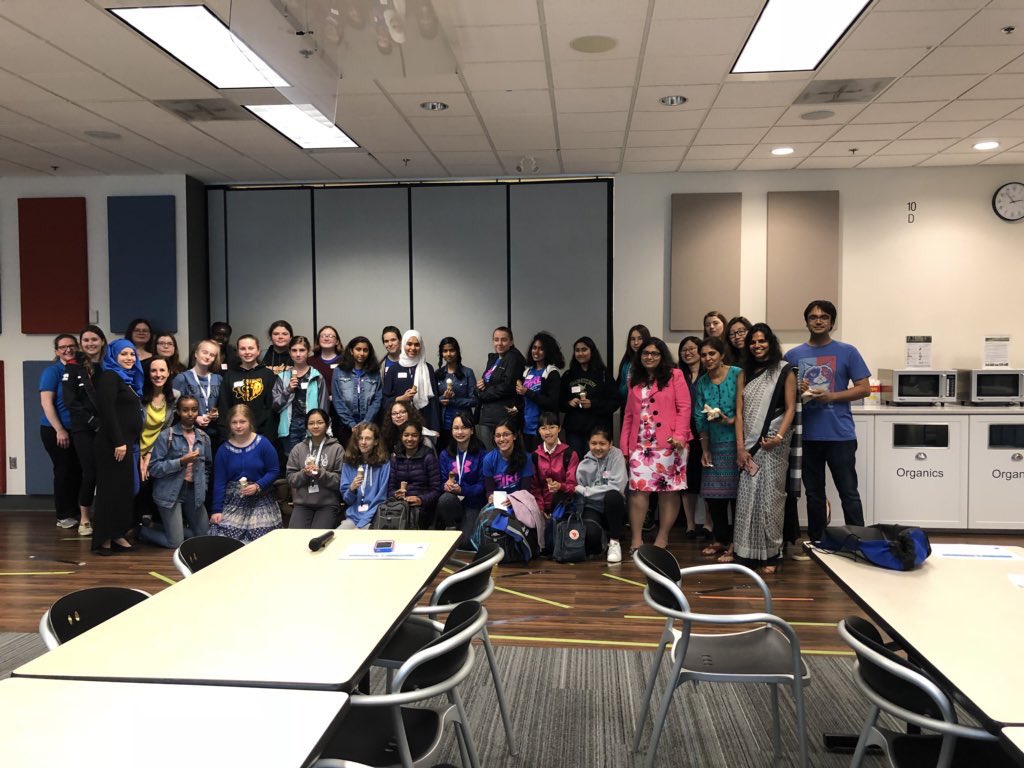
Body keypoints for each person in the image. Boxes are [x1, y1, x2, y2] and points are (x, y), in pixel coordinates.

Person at [784, 300, 870, 545]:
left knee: (849, 493)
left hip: (840, 435)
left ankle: (858, 541)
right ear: (807, 321)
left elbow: (864, 389)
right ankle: (818, 541)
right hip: (806, 437)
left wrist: (832, 396)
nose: (818, 320)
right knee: (813, 495)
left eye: (824, 317)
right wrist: (797, 389)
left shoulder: (848, 351)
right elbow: (784, 395)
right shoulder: (793, 355)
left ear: (832, 322)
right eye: (813, 317)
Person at [734, 324, 797, 574]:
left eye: (762, 341)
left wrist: (779, 437)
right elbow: (739, 412)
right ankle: (746, 552)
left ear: (770, 343)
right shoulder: (743, 373)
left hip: (773, 443)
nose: (757, 346)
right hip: (749, 446)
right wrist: (740, 447)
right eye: (753, 342)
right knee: (747, 498)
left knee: (771, 498)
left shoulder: (784, 370)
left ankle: (772, 554)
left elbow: (791, 407)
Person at [621, 337, 691, 553]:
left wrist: (679, 436)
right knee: (637, 492)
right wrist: (625, 446)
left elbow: (684, 407)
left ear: (662, 356)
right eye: (645, 353)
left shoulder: (675, 375)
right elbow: (629, 416)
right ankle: (636, 539)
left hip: (671, 445)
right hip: (641, 446)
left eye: (654, 353)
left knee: (668, 492)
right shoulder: (634, 380)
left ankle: (662, 537)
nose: (649, 357)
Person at [92, 339, 144, 556]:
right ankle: (102, 539)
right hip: (113, 445)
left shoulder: (128, 380)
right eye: (123, 354)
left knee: (123, 492)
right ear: (113, 355)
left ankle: (117, 534)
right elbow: (108, 412)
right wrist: (119, 441)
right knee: (109, 493)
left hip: (126, 444)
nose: (129, 358)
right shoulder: (109, 377)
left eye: (132, 354)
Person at [141, 395, 212, 549]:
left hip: (193, 492)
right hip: (170, 492)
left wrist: (203, 487)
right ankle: (142, 531)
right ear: (178, 412)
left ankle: (158, 526)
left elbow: (207, 466)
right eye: (185, 410)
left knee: (205, 536)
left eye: (194, 410)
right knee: (175, 543)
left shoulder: (204, 438)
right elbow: (154, 468)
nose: (190, 414)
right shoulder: (167, 435)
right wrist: (181, 462)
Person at [694, 336, 741, 562]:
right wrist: (705, 449)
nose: (707, 358)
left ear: (722, 354)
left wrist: (730, 421)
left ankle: (736, 544)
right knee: (714, 497)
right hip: (714, 444)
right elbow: (699, 418)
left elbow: (748, 408)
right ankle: (721, 539)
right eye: (703, 355)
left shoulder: (738, 374)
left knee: (738, 498)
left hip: (738, 444)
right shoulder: (702, 382)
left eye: (712, 353)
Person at [209, 404, 281, 542]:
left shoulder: (263, 444)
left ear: (250, 422)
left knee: (262, 537)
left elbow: (274, 471)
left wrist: (258, 485)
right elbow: (219, 482)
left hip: (261, 498)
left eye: (242, 421)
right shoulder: (223, 450)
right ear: (229, 425)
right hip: (233, 500)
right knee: (222, 536)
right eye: (234, 422)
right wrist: (216, 510)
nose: (238, 426)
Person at [63, 325, 106, 535]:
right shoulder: (73, 367)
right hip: (84, 429)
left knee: (108, 475)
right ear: (81, 344)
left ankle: (106, 516)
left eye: (94, 339)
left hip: (109, 428)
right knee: (90, 473)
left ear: (102, 342)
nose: (90, 344)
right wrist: (92, 421)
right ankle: (85, 518)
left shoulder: (110, 365)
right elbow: (71, 402)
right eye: (86, 340)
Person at [39, 334, 82, 531]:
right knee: (64, 471)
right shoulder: (53, 371)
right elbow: (46, 403)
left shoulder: (80, 369)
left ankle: (76, 512)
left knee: (78, 472)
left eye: (72, 345)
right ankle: (64, 515)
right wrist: (60, 430)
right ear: (56, 351)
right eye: (63, 347)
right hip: (56, 430)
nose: (68, 349)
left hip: (78, 430)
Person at [560, 336, 619, 461]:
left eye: (584, 349)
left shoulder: (603, 375)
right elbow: (559, 401)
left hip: (597, 432)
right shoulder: (568, 375)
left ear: (592, 351)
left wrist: (593, 404)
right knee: (575, 464)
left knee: (596, 464)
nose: (580, 353)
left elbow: (615, 402)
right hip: (574, 430)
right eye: (577, 350)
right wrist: (569, 402)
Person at [575, 426, 628, 563]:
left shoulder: (617, 456)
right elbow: (581, 496)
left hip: (614, 507)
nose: (598, 447)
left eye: (602, 443)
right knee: (592, 538)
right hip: (593, 508)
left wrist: (587, 491)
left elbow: (617, 486)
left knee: (612, 495)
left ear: (610, 444)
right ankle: (603, 537)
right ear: (588, 444)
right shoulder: (583, 464)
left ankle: (615, 542)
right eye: (594, 443)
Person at [272, 336, 329, 459]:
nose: (298, 354)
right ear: (289, 352)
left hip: (312, 425)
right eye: (294, 350)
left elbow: (324, 407)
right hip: (290, 426)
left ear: (308, 351)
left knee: (311, 460)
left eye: (302, 350)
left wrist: (323, 427)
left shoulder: (317, 376)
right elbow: (275, 406)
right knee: (293, 460)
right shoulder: (282, 377)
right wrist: (288, 390)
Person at [286, 409, 344, 529]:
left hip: (327, 504)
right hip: (303, 504)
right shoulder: (298, 449)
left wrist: (320, 473)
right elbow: (291, 478)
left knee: (318, 539)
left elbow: (340, 480)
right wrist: (304, 473)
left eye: (320, 422)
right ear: (306, 426)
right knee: (294, 537)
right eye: (311, 423)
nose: (315, 426)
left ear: (327, 425)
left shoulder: (337, 449)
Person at [677, 335, 711, 539]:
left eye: (692, 348)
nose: (688, 352)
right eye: (684, 349)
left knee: (708, 478)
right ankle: (690, 524)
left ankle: (708, 523)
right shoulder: (677, 375)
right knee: (687, 479)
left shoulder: (710, 374)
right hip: (684, 433)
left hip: (707, 431)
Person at [436, 412, 487, 543]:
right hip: (453, 501)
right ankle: (451, 525)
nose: (460, 432)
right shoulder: (445, 454)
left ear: (472, 431)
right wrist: (445, 486)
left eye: (464, 428)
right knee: (445, 499)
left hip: (474, 503)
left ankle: (464, 527)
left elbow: (482, 485)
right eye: (456, 428)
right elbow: (440, 482)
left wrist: (462, 490)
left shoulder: (482, 454)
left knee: (465, 543)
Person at [137, 357, 177, 526]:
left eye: (162, 370)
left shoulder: (174, 396)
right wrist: (140, 455)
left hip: (157, 449)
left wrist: (150, 454)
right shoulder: (138, 395)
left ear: (169, 373)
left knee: (156, 479)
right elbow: (132, 428)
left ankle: (153, 520)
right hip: (135, 447)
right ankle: (136, 523)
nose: (158, 374)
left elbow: (165, 430)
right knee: (139, 482)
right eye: (154, 370)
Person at [218, 334, 278, 442]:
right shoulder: (229, 375)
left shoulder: (268, 375)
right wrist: (227, 435)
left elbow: (271, 407)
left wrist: (268, 436)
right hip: (236, 433)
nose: (247, 352)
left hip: (262, 434)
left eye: (251, 348)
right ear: (237, 352)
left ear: (258, 350)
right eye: (242, 349)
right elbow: (224, 407)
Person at [476, 327, 527, 448]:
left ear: (511, 342)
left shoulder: (513, 358)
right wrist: (478, 387)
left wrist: (482, 394)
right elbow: (484, 381)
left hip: (501, 416)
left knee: (503, 455)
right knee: (489, 456)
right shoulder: (494, 359)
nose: (499, 343)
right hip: (486, 415)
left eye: (503, 340)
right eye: (496, 340)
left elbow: (506, 386)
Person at [382, 329, 439, 431]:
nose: (413, 348)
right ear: (403, 344)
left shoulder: (427, 368)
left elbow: (433, 401)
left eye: (416, 344)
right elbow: (384, 401)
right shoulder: (393, 369)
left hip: (424, 421)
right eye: (409, 344)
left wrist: (435, 428)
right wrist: (401, 398)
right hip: (399, 424)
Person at [332, 336, 383, 449]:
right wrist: (351, 424)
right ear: (351, 350)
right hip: (345, 427)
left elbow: (377, 400)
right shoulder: (339, 371)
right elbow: (338, 400)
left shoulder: (374, 372)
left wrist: (365, 423)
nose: (362, 353)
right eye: (358, 349)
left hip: (370, 425)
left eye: (365, 350)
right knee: (350, 459)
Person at [387, 422, 441, 528]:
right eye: (406, 435)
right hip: (399, 505)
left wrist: (421, 500)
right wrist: (396, 494)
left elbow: (436, 490)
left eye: (414, 435)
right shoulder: (395, 459)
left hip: (423, 508)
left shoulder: (428, 458)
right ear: (401, 437)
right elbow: (390, 489)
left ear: (420, 437)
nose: (410, 439)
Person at [517, 332, 563, 452]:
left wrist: (528, 392)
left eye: (541, 349)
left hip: (543, 427)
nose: (536, 352)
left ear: (548, 352)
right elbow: (523, 399)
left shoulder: (552, 373)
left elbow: (552, 402)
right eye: (534, 348)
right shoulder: (527, 372)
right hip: (526, 426)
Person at [340, 422, 391, 529]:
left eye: (368, 438)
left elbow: (381, 499)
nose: (363, 442)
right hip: (352, 517)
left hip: (374, 517)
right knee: (338, 538)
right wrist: (352, 489)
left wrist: (362, 523)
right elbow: (347, 500)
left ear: (376, 442)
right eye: (360, 438)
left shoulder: (384, 465)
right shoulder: (348, 463)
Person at [172, 339, 223, 442]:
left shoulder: (218, 379)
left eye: (212, 355)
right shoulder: (182, 378)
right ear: (196, 354)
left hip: (214, 434)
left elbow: (223, 404)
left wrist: (217, 413)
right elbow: (173, 408)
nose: (207, 356)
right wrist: (195, 418)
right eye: (204, 352)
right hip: (190, 434)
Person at [529, 411, 578, 515]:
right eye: (543, 428)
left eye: (552, 427)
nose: (548, 432)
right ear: (539, 431)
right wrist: (540, 509)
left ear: (559, 428)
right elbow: (535, 487)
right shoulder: (535, 456)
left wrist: (560, 486)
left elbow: (573, 486)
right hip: (541, 507)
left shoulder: (569, 454)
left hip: (564, 505)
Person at [435, 337, 478, 451]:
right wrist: (442, 398)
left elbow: (474, 400)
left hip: (463, 424)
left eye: (452, 350)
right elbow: (432, 399)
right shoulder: (437, 374)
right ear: (441, 353)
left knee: (465, 454)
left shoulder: (467, 372)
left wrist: (453, 401)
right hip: (443, 424)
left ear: (457, 352)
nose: (448, 354)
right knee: (444, 455)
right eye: (445, 351)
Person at [482, 418, 534, 504]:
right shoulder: (488, 460)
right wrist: (491, 497)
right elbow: (489, 491)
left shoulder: (526, 458)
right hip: (499, 502)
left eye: (506, 434)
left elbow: (526, 490)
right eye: (498, 436)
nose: (502, 439)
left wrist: (513, 500)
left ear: (514, 436)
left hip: (520, 502)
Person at [616, 324, 651, 404]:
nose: (636, 342)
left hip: (647, 407)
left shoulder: (651, 362)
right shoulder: (626, 362)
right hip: (628, 406)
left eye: (640, 339)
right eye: (632, 339)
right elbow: (620, 388)